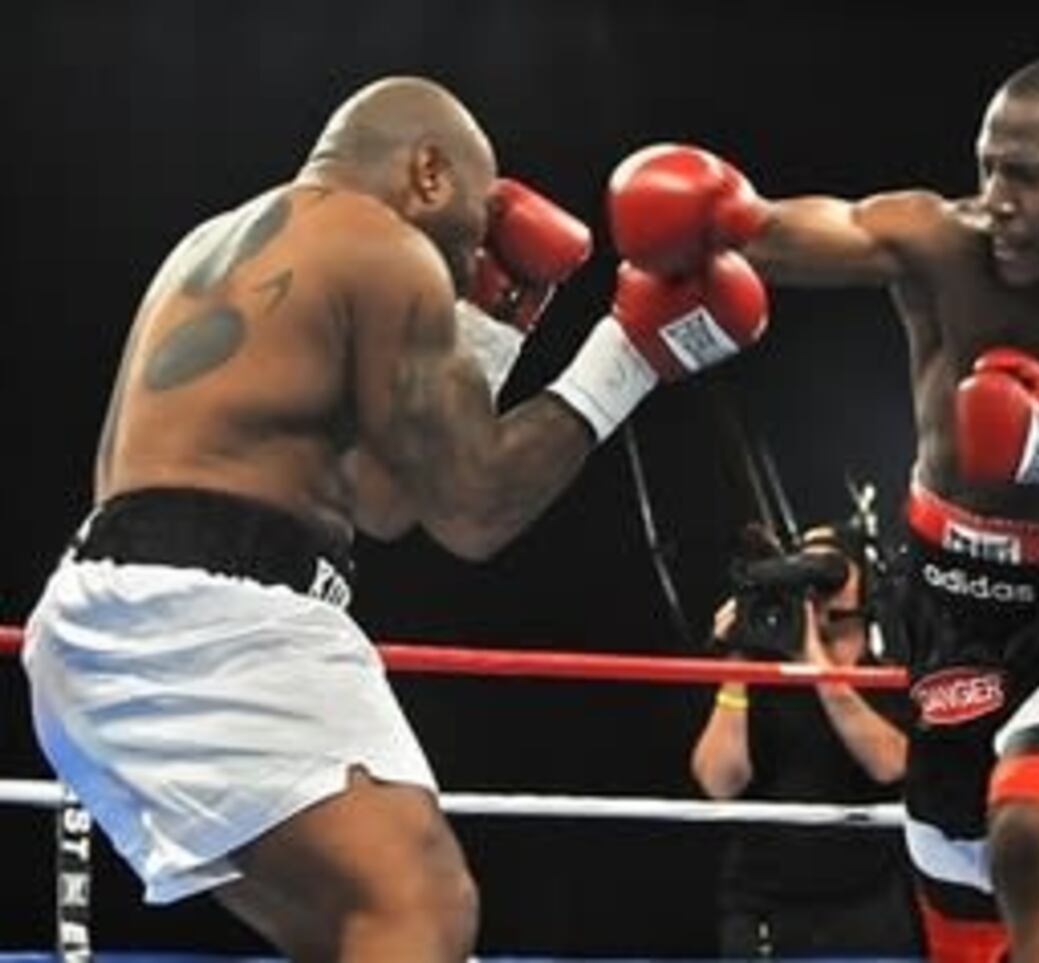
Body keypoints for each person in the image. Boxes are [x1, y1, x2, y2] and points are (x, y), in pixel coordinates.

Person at [22, 76, 768, 961]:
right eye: (469, 236)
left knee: (351, 931)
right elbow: (473, 508)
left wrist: (491, 328)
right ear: (428, 173)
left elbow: (384, 502)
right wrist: (630, 357)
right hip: (208, 622)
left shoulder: (222, 242)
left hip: (102, 620)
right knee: (423, 907)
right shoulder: (387, 248)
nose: (466, 263)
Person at [606, 54, 1039, 962]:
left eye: (1027, 176)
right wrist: (715, 219)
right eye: (988, 168)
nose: (997, 200)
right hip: (948, 598)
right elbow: (808, 229)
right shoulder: (944, 246)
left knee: (1030, 837)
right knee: (964, 901)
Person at [691, 523, 923, 959]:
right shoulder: (754, 677)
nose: (812, 584)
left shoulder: (890, 677)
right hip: (767, 910)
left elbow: (891, 764)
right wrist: (739, 660)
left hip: (868, 906)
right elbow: (719, 782)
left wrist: (814, 661)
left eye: (829, 569)